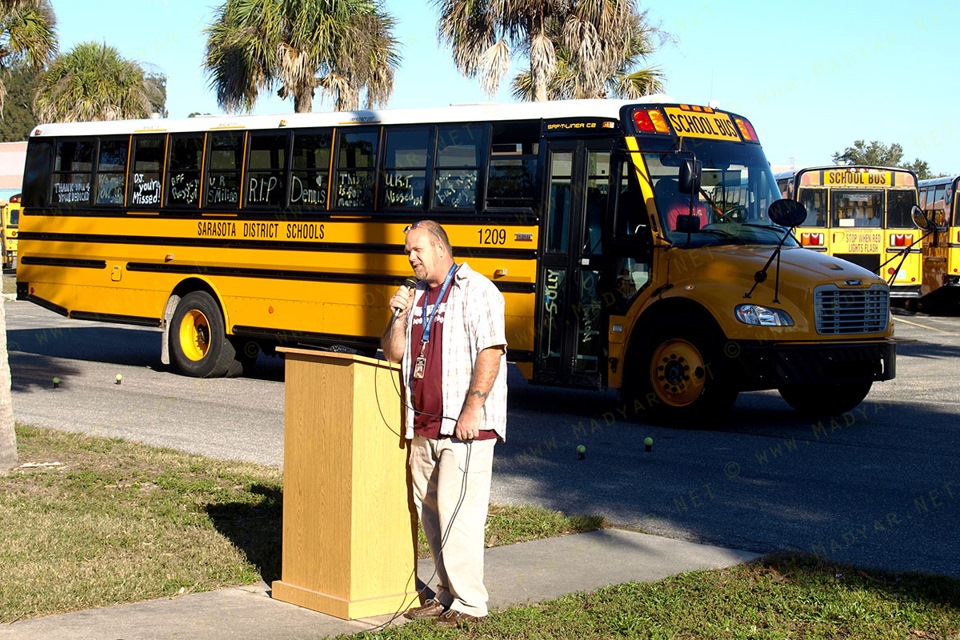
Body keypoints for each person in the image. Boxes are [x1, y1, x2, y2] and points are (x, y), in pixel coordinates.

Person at [381, 220, 507, 629]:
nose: (411, 258)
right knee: (430, 512)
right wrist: (397, 316)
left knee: (461, 514)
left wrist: (474, 408)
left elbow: (491, 350)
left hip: (464, 426)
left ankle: (471, 603)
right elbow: (393, 354)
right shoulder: (415, 296)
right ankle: (446, 594)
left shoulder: (477, 290)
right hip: (422, 425)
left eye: (416, 250)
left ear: (438, 246)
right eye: (407, 253)